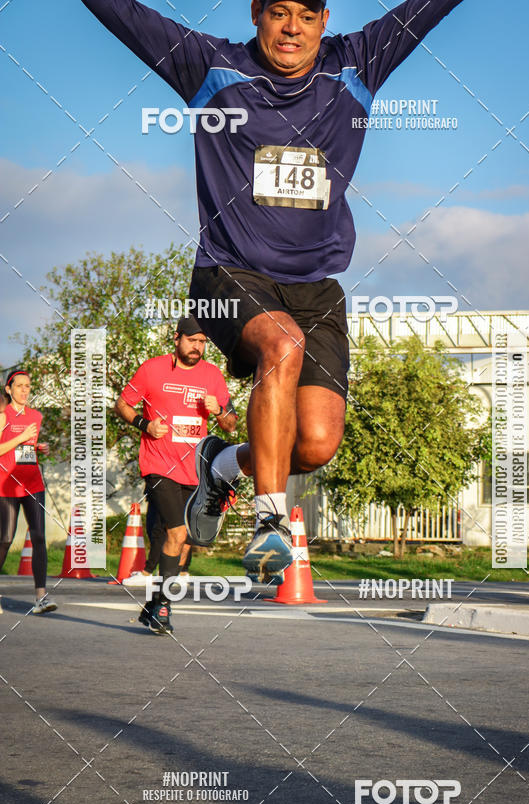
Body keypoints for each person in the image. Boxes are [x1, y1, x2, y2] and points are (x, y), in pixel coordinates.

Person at [82, 0, 465, 583]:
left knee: (313, 444)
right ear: (257, 13)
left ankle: (222, 462)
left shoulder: (357, 65)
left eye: (307, 18)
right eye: (280, 13)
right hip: (229, 272)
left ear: (325, 20)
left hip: (316, 289)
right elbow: (124, 15)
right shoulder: (211, 67)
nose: (292, 30)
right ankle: (270, 522)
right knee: (279, 346)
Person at [114, 318, 237, 633]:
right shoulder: (152, 369)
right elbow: (122, 404)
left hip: (195, 471)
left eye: (202, 342)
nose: (197, 347)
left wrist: (219, 410)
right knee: (177, 533)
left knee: (184, 542)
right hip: (158, 466)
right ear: (176, 339)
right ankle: (164, 608)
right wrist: (145, 425)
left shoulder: (212, 375)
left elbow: (231, 425)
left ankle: (153, 605)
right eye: (192, 340)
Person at [0, 371, 57, 615]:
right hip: (6, 485)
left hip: (32, 484)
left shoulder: (36, 416)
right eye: (20, 386)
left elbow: (24, 449)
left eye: (28, 386)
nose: (24, 390)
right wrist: (22, 437)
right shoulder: (3, 416)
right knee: (5, 538)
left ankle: (40, 598)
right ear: (8, 389)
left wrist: (37, 447)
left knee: (39, 538)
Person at [122, 498, 192, 586]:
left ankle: (150, 572)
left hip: (170, 489)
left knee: (163, 529)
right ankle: (178, 572)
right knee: (175, 527)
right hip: (161, 492)